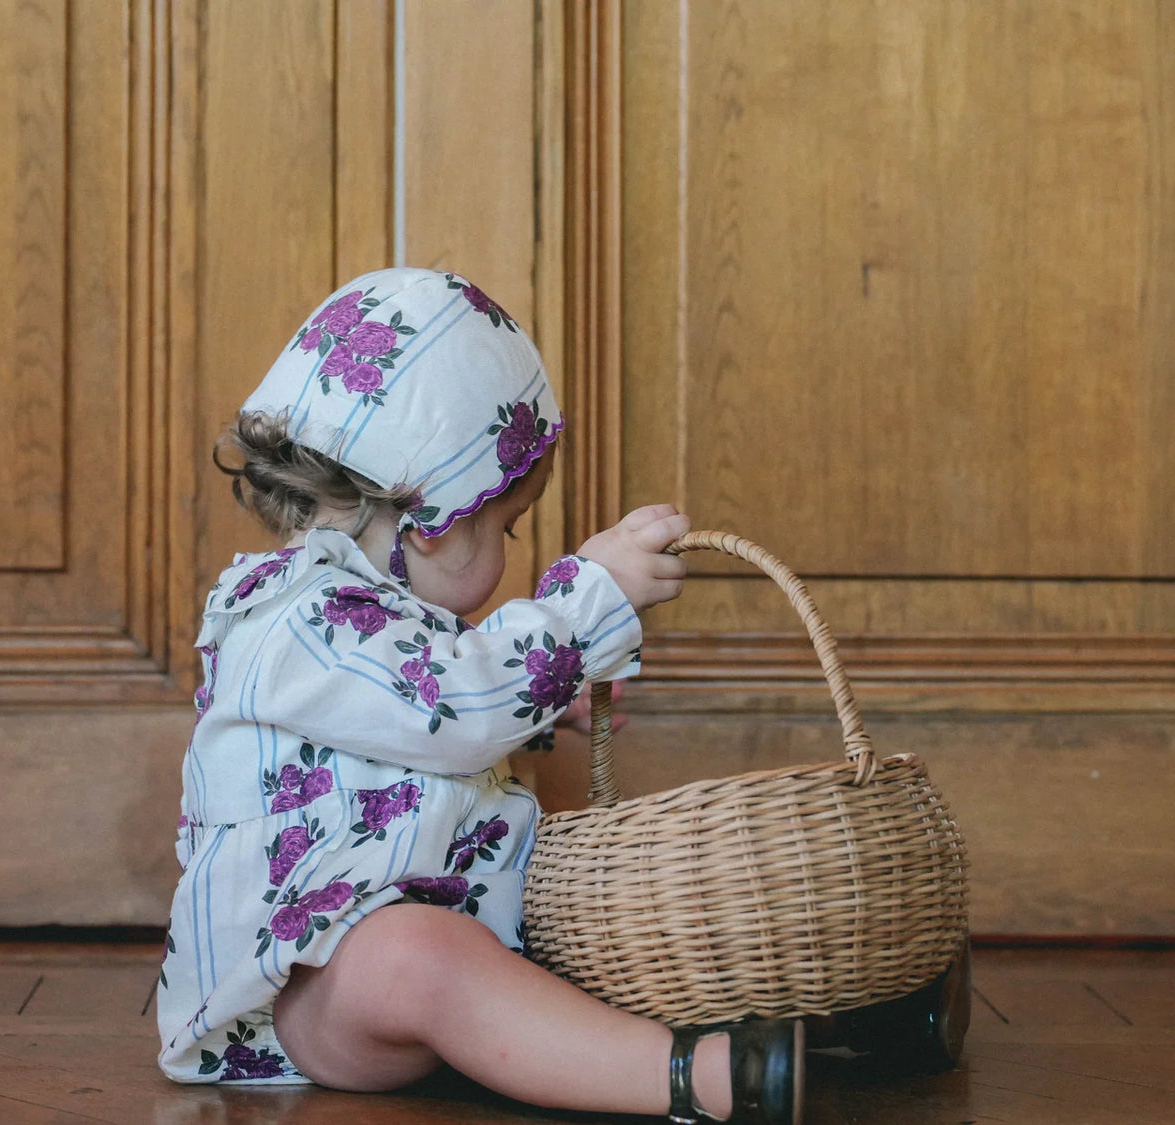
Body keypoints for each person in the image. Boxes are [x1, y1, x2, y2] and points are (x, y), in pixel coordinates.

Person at [156, 267, 804, 1124]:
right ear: (432, 512)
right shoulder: (300, 618)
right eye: (506, 528)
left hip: (466, 931)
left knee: (611, 916)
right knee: (417, 958)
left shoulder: (381, 618)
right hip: (311, 991)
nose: (510, 553)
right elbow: (452, 711)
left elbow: (409, 743)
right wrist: (587, 601)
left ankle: (825, 1010)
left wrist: (541, 718)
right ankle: (699, 1076)